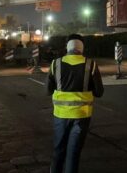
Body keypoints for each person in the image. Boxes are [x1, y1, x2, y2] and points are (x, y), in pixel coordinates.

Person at [46, 34, 104, 173]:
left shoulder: (56, 64)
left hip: (60, 115)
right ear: (82, 49)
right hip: (81, 116)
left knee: (58, 150)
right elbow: (99, 92)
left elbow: (48, 90)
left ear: (67, 48)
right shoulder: (91, 64)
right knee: (73, 153)